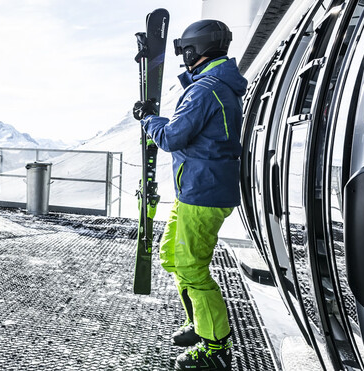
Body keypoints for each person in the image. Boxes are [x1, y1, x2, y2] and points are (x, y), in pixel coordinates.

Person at [137, 20, 246, 371]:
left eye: (185, 49)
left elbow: (171, 138)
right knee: (173, 257)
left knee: (191, 268)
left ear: (193, 50)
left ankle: (215, 348)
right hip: (197, 188)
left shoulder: (206, 89)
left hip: (204, 191)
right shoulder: (214, 86)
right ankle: (201, 324)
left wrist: (148, 120)